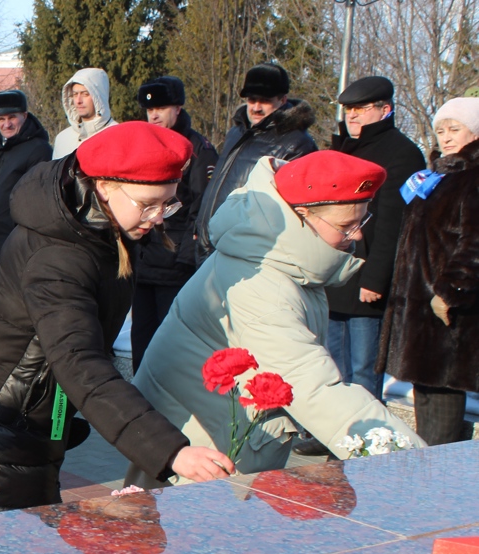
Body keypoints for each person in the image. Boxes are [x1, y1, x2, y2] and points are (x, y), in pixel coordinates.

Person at [0, 122, 236, 516]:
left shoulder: (102, 223)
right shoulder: (60, 253)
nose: (157, 217)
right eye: (148, 204)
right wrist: (169, 450)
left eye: (168, 204)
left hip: (30, 405)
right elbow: (79, 361)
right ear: (103, 186)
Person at [125, 150, 425, 489]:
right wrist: (412, 466)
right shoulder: (261, 285)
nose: (357, 236)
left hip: (224, 428)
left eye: (361, 222)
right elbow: (315, 388)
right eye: (346, 225)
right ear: (302, 215)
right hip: (200, 442)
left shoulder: (284, 258)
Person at [296, 76, 426, 457]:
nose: (351, 117)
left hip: (366, 277)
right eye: (348, 111)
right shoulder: (342, 149)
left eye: (360, 110)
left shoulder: (401, 153)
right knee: (331, 367)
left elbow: (392, 225)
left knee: (364, 370)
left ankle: (368, 441)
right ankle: (330, 432)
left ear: (385, 110)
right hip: (334, 272)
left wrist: (375, 277)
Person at [377, 97, 479, 446]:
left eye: (455, 129)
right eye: (440, 130)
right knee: (426, 402)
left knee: (443, 405)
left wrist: (451, 292)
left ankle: (442, 490)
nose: (446, 137)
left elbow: (475, 244)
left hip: (447, 313)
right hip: (419, 310)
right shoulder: (436, 176)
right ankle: (428, 482)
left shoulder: (472, 178)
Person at [131, 76, 218, 372]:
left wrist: (184, 254)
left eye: (162, 108)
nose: (153, 115)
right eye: (149, 109)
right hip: (143, 261)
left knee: (171, 343)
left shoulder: (198, 149)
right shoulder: (143, 144)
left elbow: (203, 205)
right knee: (141, 339)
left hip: (176, 262)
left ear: (178, 108)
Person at [195, 63, 318, 265]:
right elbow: (219, 181)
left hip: (246, 252)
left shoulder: (297, 143)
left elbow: (295, 211)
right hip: (209, 241)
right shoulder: (237, 132)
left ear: (282, 100)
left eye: (265, 101)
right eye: (252, 100)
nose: (256, 108)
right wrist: (199, 225)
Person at [0, 89, 52, 270]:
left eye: (12, 117)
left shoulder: (38, 149)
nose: (6, 124)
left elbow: (36, 203)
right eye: (1, 119)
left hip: (18, 247)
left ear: (24, 115)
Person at [52, 68, 118, 159]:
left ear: (99, 97)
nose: (78, 101)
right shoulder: (62, 139)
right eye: (75, 94)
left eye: (85, 94)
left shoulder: (117, 137)